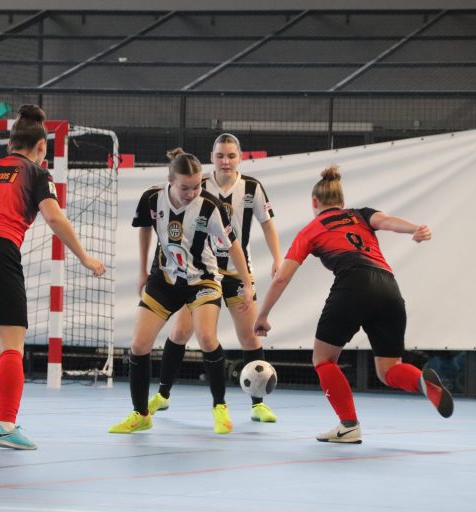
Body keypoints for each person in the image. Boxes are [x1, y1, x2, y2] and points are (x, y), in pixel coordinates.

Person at [0, 104, 105, 450]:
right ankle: (6, 426)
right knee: (10, 346)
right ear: (41, 147)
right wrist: (84, 257)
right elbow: (55, 219)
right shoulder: (37, 174)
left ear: (10, 143)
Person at [253, 165, 453, 444]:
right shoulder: (361, 214)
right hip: (389, 288)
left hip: (353, 284)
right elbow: (387, 221)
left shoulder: (311, 230)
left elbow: (281, 278)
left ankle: (348, 425)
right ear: (342, 202)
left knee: (323, 359)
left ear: (314, 202)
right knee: (388, 369)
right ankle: (422, 381)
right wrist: (414, 229)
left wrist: (262, 315)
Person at [109, 148, 254, 435]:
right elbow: (145, 228)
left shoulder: (210, 206)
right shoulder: (153, 198)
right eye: (184, 187)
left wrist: (248, 283)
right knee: (138, 345)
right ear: (170, 180)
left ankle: (220, 408)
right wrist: (142, 270)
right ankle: (141, 414)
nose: (191, 192)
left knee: (206, 337)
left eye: (197, 185)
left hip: (202, 281)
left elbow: (234, 245)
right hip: (164, 280)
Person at [148, 133, 282, 423]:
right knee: (180, 332)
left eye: (231, 155)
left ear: (240, 157)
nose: (225, 161)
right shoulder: (199, 186)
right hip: (201, 272)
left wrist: (278, 258)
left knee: (249, 336)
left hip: (236, 271)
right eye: (220, 155)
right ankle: (163, 395)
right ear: (212, 157)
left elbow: (267, 225)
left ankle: (257, 404)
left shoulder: (252, 188)